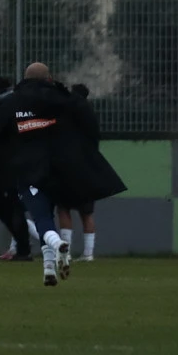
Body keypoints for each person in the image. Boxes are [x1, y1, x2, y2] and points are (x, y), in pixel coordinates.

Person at [0, 63, 94, 287]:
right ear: (49, 78)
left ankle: (58, 244)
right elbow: (84, 127)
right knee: (51, 215)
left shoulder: (12, 102)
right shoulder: (63, 99)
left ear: (25, 78)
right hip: (60, 169)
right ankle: (49, 270)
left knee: (42, 217)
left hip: (28, 170)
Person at [57, 83, 126, 263]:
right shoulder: (90, 114)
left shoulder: (66, 112)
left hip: (67, 165)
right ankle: (88, 253)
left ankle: (66, 252)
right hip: (87, 166)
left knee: (64, 208)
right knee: (86, 212)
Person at [0, 76, 31, 260]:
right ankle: (22, 245)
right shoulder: (12, 102)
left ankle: (23, 248)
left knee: (10, 204)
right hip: (15, 161)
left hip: (9, 163)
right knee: (9, 204)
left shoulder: (3, 105)